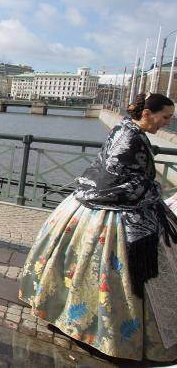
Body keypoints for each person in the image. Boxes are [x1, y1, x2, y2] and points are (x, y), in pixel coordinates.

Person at [19, 93, 177, 362]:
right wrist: (150, 189)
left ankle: (67, 313)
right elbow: (112, 181)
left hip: (98, 205)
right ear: (147, 113)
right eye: (165, 117)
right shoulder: (129, 137)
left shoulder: (126, 130)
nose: (167, 123)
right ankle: (102, 330)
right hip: (115, 213)